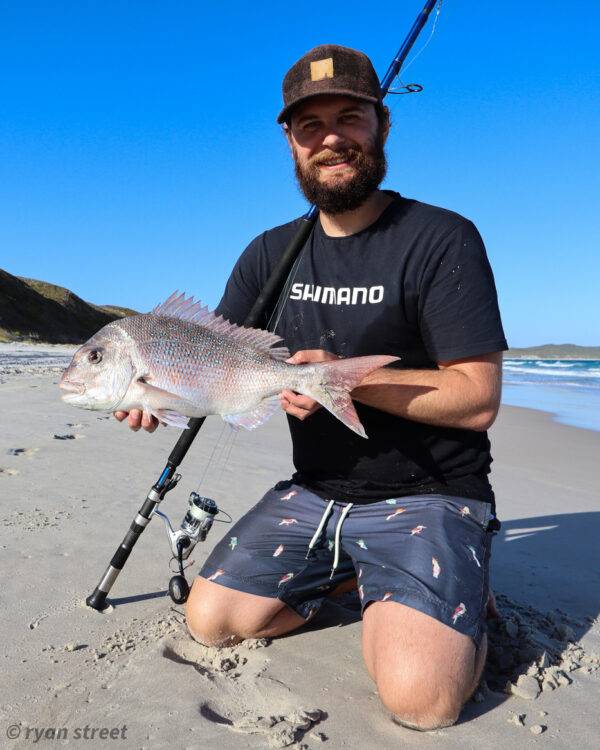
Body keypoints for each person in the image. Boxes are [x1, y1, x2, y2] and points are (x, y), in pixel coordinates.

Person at [115, 44, 507, 731]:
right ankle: (356, 574)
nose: (330, 138)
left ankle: (463, 587)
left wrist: (341, 381)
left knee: (420, 700)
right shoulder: (269, 255)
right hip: (317, 489)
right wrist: (160, 395)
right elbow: (221, 367)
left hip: (431, 490)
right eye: (309, 126)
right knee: (212, 622)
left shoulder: (442, 238)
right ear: (290, 143)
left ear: (381, 126)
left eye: (349, 118)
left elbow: (477, 398)